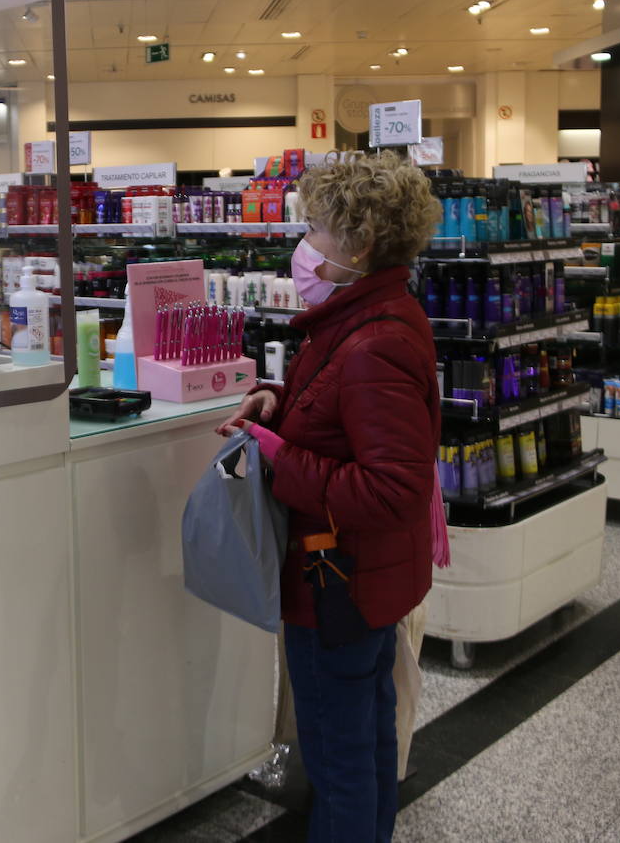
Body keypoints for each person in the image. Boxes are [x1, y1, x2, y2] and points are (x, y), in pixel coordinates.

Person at [216, 152, 442, 843]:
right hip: (365, 579)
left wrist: (280, 457)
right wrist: (279, 404)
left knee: (338, 761)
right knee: (367, 744)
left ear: (360, 241)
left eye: (316, 228)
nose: (304, 245)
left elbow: (392, 485)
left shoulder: (373, 338)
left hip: (338, 580)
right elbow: (351, 418)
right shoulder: (363, 316)